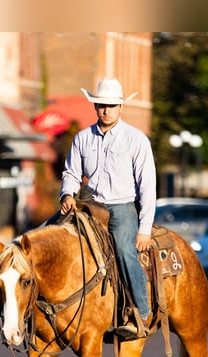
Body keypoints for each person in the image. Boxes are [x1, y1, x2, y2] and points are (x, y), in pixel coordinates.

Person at [59, 78, 157, 339]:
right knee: (52, 236)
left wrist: (144, 229)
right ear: (95, 106)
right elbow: (71, 172)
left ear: (121, 107)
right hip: (90, 204)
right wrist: (68, 193)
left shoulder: (136, 140)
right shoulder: (82, 138)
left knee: (125, 249)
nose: (106, 110)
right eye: (101, 105)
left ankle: (141, 312)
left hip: (122, 206)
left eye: (112, 105)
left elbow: (147, 186)